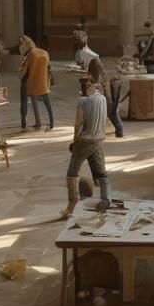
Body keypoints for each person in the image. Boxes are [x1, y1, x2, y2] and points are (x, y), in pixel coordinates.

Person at [60, 75, 112, 219]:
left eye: (85, 84)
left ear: (90, 85)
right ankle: (106, 199)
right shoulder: (102, 99)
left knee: (72, 172)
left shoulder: (83, 101)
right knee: (101, 172)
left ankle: (72, 204)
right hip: (99, 139)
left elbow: (78, 124)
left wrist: (75, 140)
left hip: (85, 140)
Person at [83, 52, 124, 138]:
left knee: (113, 118)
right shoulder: (103, 76)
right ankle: (119, 133)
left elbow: (96, 91)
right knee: (115, 119)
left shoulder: (99, 80)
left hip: (107, 104)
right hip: (110, 102)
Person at [20, 35, 54, 130]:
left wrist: (20, 72)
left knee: (25, 102)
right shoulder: (44, 53)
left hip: (30, 82)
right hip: (42, 83)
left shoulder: (30, 55)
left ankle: (25, 123)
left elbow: (23, 72)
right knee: (45, 103)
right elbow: (49, 69)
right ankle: (50, 122)